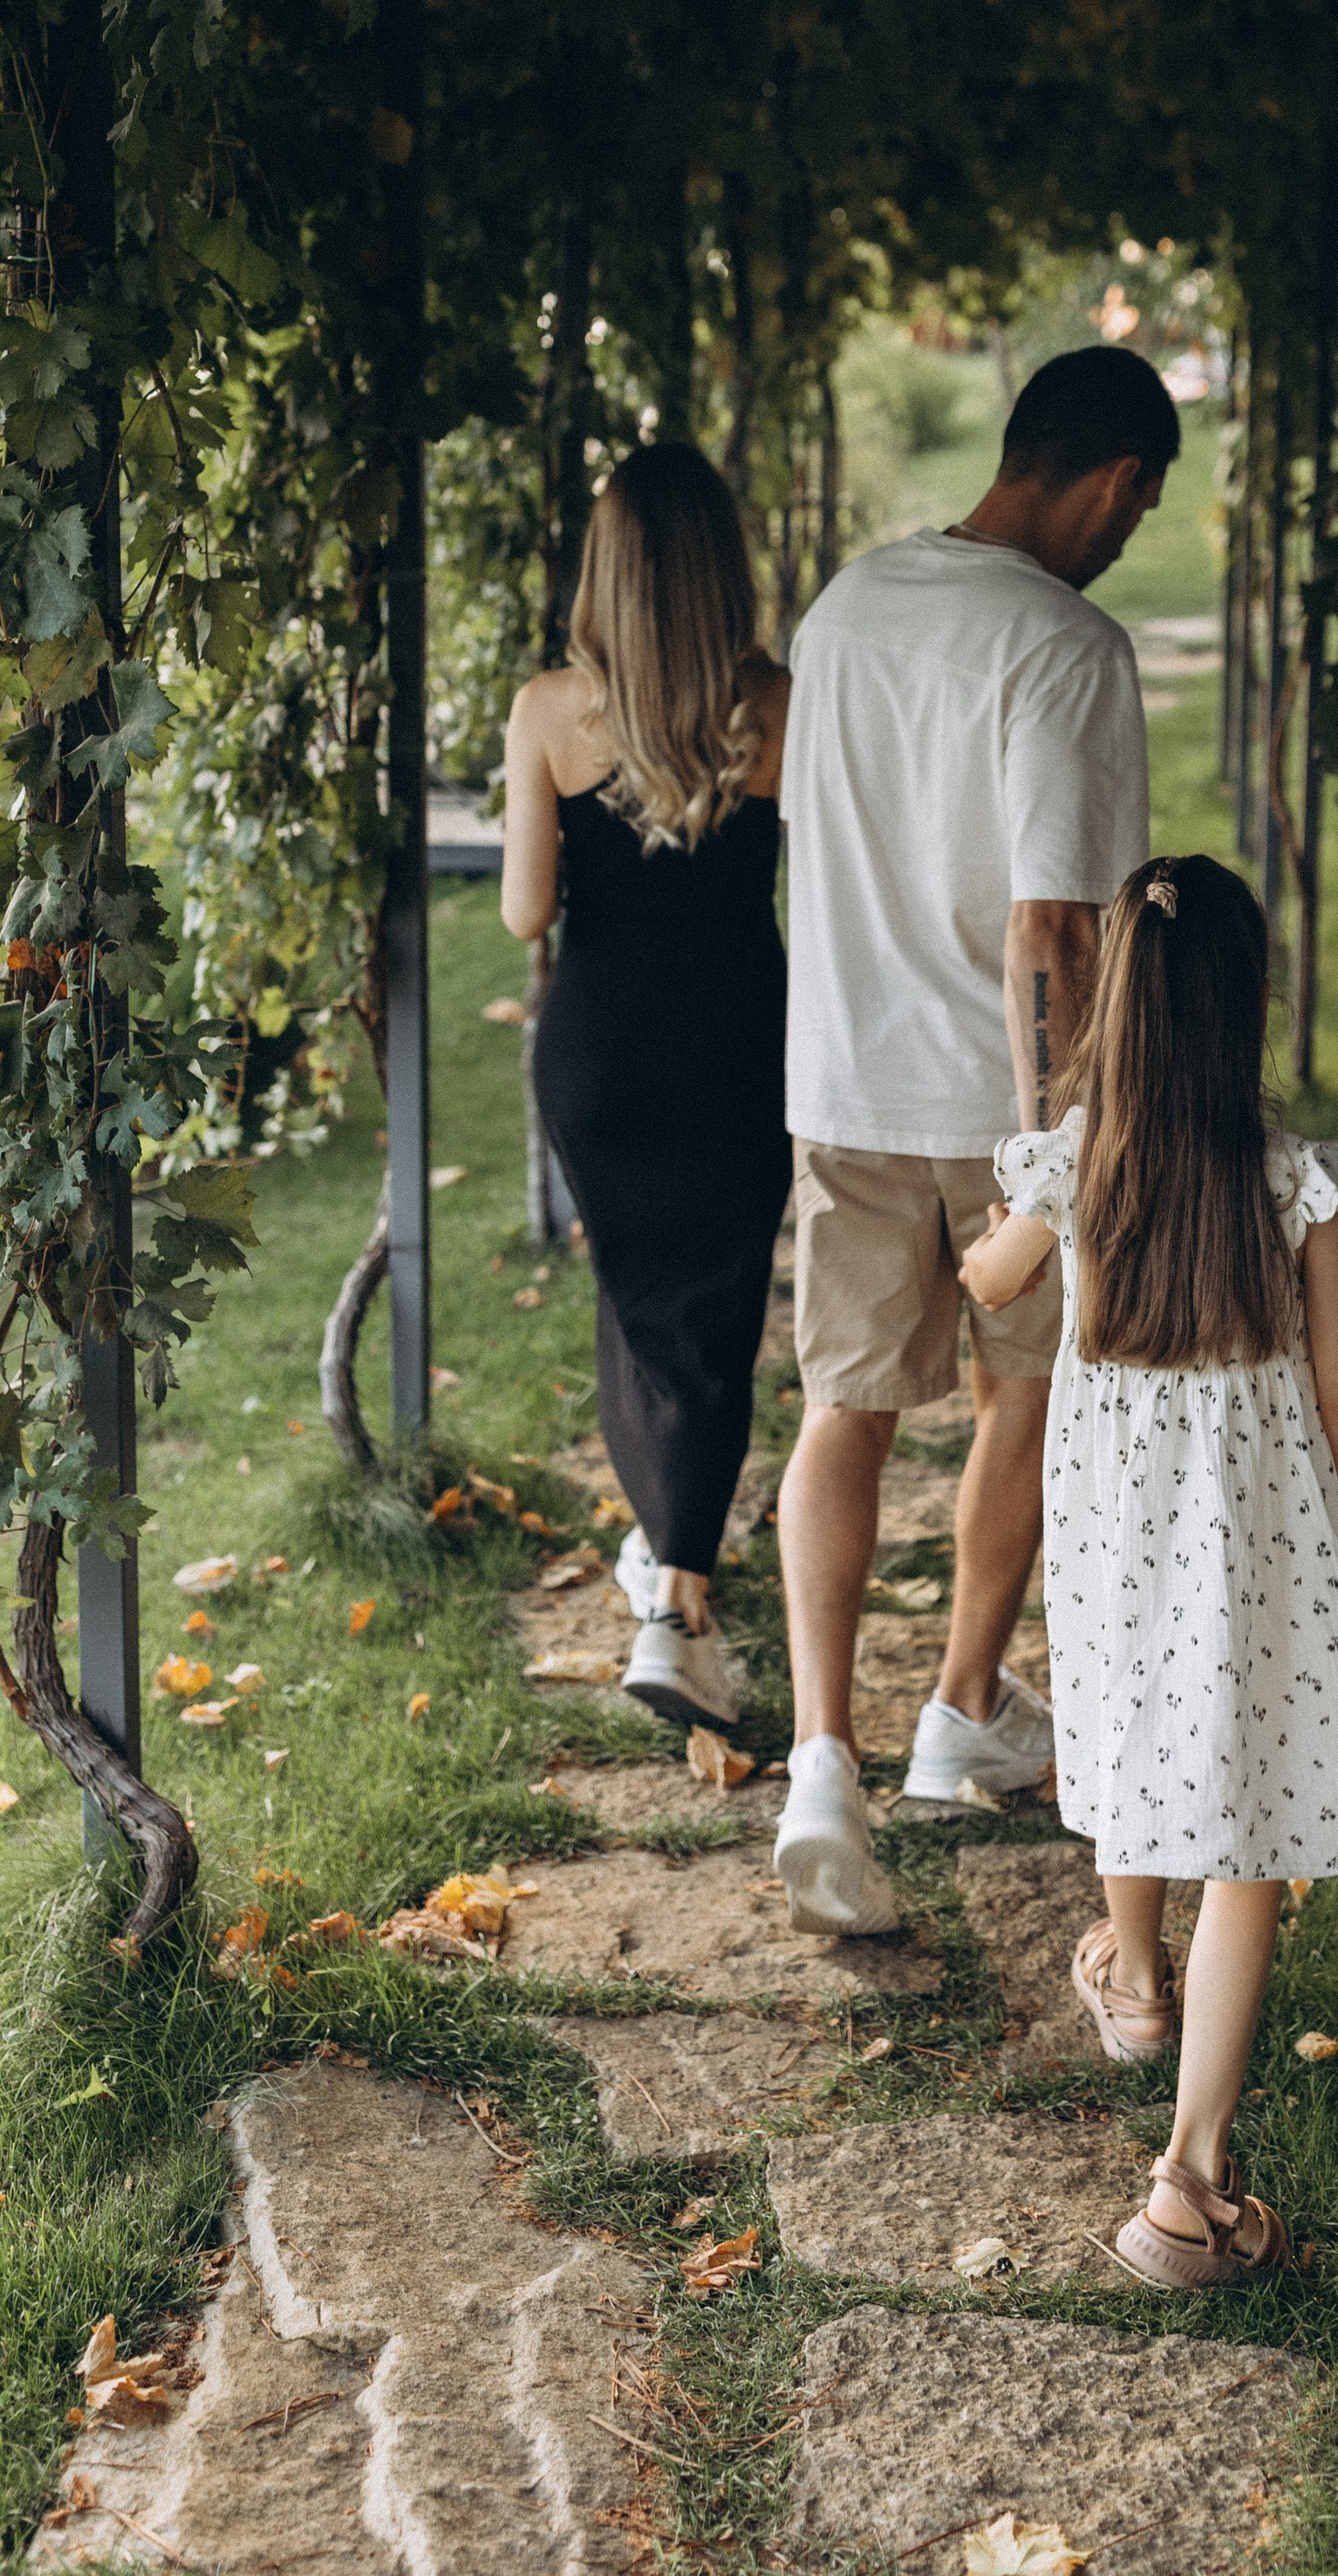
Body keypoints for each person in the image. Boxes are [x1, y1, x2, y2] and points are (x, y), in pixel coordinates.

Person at [771, 344, 1179, 1935]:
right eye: (1138, 507)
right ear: (1113, 480)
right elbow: (1046, 926)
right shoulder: (1064, 645)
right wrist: (1055, 1144)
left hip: (842, 1080)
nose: (1130, 536)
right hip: (991, 1098)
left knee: (841, 1411)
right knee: (1028, 1394)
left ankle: (823, 1758)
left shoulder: (845, 608)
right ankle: (958, 1707)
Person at [961, 852, 1338, 2289]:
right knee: (1248, 1841)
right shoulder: (1297, 1189)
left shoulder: (1079, 1168)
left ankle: (1134, 1980)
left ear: (1116, 1013)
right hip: (1265, 1548)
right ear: (1247, 1008)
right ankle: (1189, 2182)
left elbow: (992, 1280)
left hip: (1111, 1538)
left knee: (1141, 1739)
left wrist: (1037, 1179)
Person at [502, 444, 790, 1733]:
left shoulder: (548, 710)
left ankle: (669, 1572)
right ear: (724, 569)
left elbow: (525, 914)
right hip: (740, 1035)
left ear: (602, 568)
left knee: (637, 1296)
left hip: (602, 1048)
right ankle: (676, 1594)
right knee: (710, 1318)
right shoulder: (781, 707)